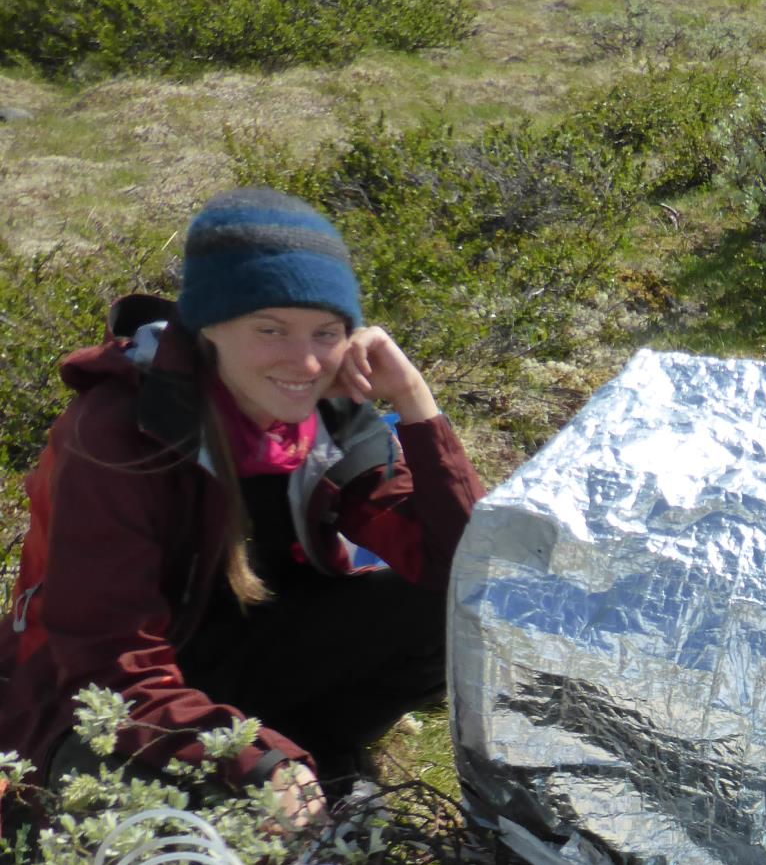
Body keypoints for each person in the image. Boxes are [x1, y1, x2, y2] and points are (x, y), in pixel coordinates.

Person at [0, 187, 484, 827]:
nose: (305, 360)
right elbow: (105, 665)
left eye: (326, 332)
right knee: (155, 813)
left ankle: (322, 755)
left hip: (246, 666)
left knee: (444, 613)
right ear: (207, 329)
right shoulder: (117, 435)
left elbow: (473, 578)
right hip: (100, 700)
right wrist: (252, 759)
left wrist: (416, 401)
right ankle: (291, 774)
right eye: (269, 329)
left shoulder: (331, 413)